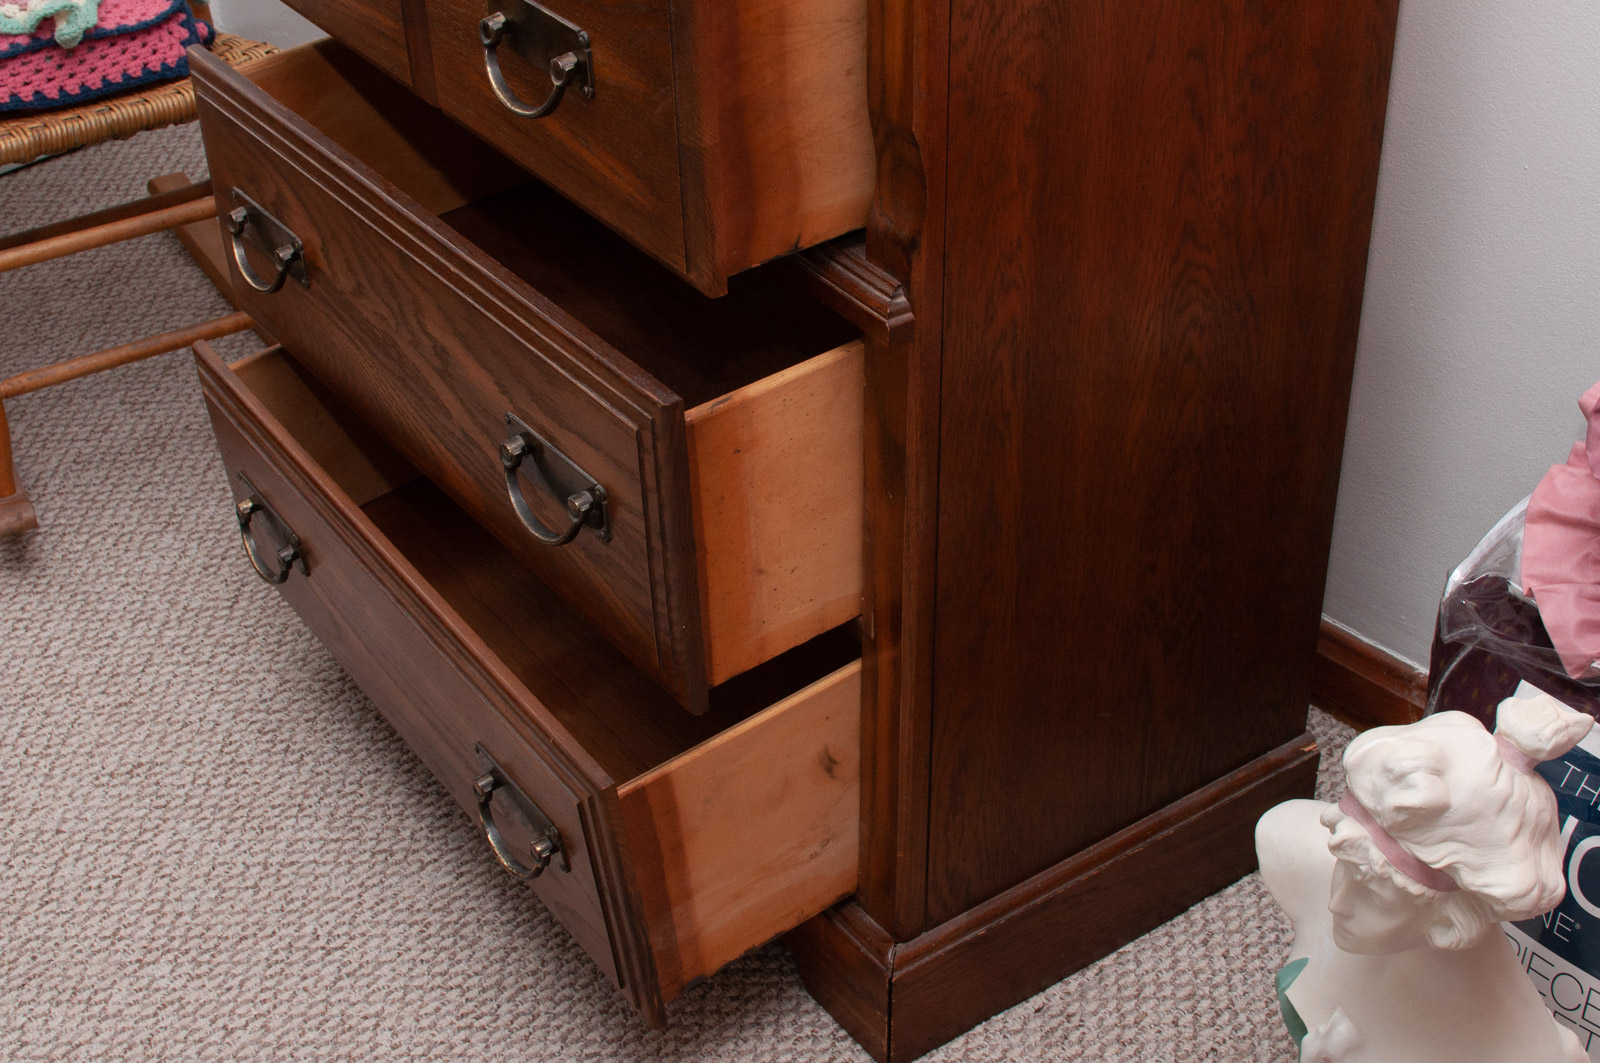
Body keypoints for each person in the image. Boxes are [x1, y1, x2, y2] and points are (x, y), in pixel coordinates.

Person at [1257, 688, 1594, 1062]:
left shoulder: (1508, 1045)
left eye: (1375, 896)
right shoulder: (1296, 854)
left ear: (1448, 923)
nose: (1337, 902)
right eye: (1345, 868)